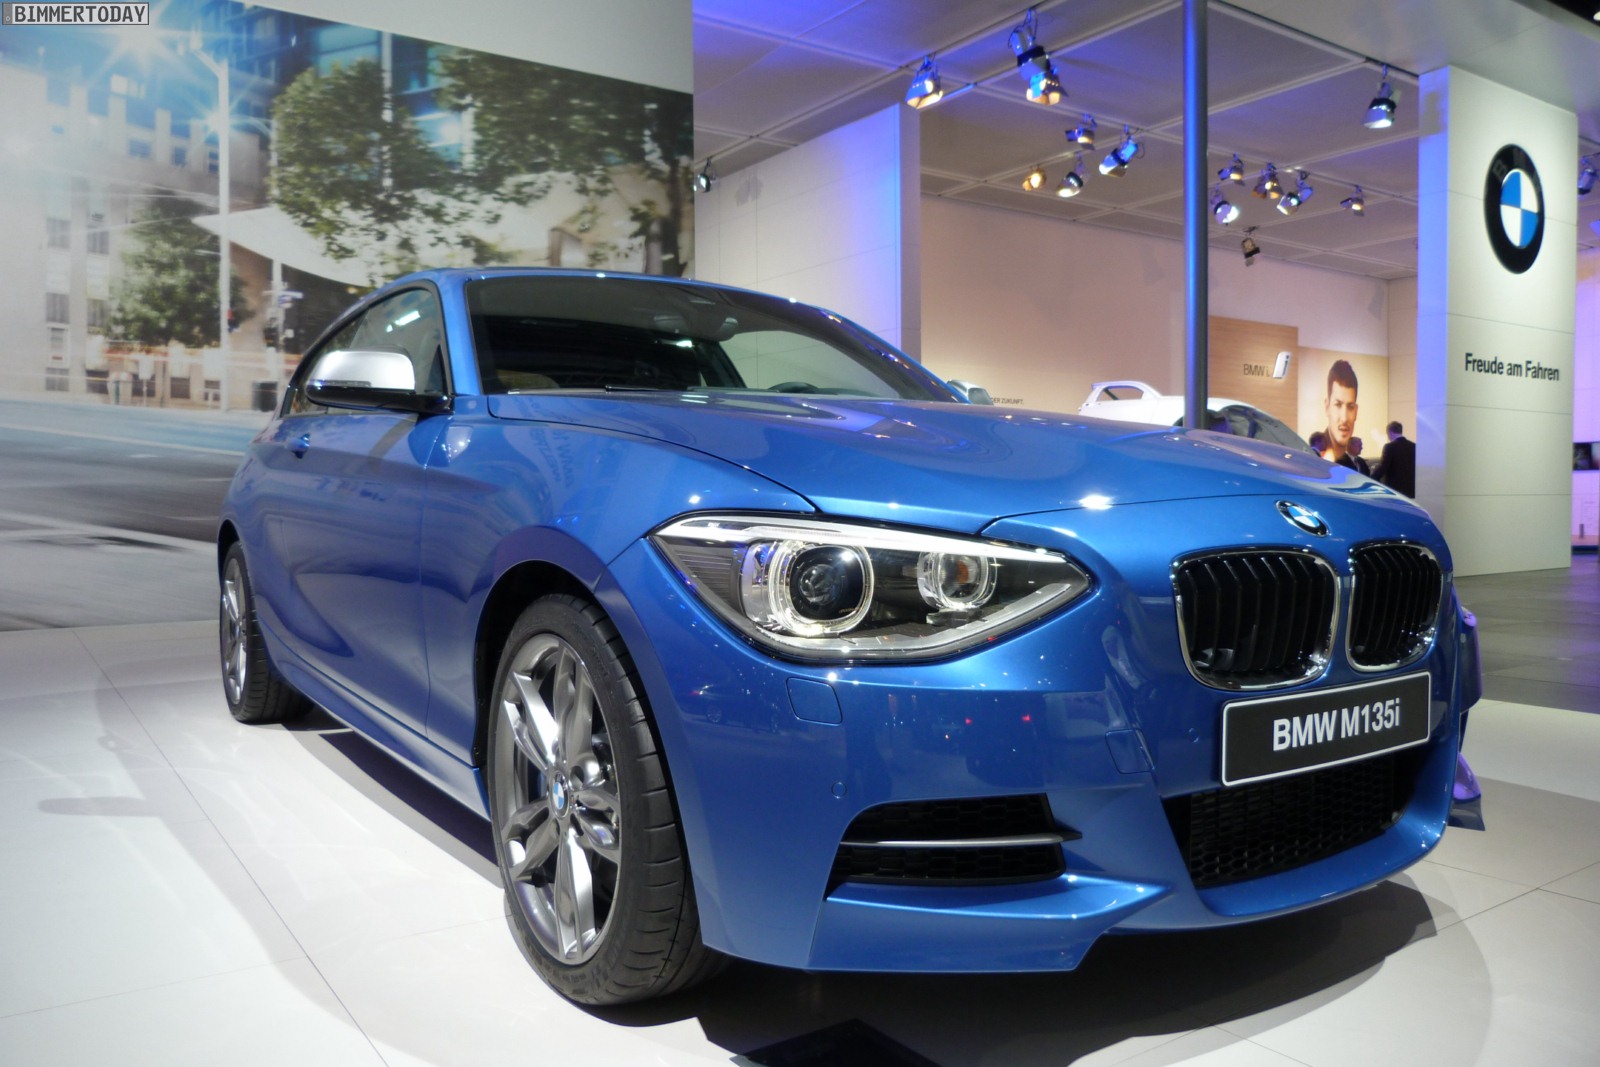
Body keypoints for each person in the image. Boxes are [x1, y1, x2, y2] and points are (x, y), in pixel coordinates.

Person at [1320, 360, 1359, 469]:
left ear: (1356, 411)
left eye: (1350, 407)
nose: (1344, 418)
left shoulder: (1353, 463)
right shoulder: (1316, 458)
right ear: (1327, 407)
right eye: (1338, 405)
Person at [1379, 420, 1416, 497]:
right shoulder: (1414, 446)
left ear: (1390, 432)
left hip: (1395, 490)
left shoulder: (1389, 447)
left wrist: (1369, 479)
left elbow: (1383, 467)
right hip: (1411, 490)